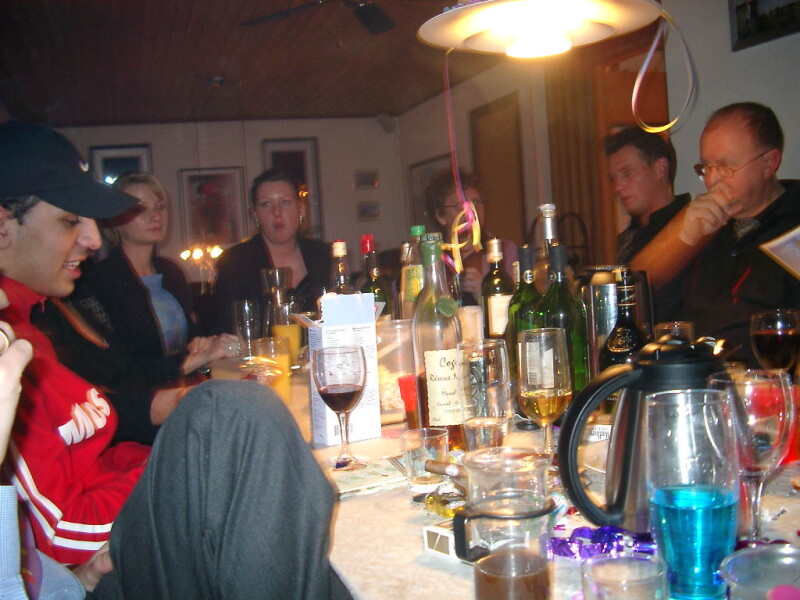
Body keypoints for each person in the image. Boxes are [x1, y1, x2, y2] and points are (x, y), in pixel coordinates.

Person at [0, 121, 351, 599]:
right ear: (3, 227)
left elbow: (102, 438)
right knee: (242, 416)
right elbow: (55, 534)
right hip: (104, 555)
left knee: (250, 426)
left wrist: (177, 453)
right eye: (69, 221)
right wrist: (187, 473)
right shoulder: (13, 347)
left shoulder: (38, 315)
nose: (92, 239)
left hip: (128, 490)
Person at [630, 102, 800, 365]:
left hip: (767, 378)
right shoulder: (703, 224)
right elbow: (637, 303)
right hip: (695, 375)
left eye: (725, 166)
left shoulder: (793, 226)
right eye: (706, 167)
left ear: (769, 163)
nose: (713, 180)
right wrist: (682, 238)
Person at [48, 172, 238, 391]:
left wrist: (201, 344)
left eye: (160, 207)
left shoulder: (171, 272)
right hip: (141, 403)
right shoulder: (100, 281)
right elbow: (117, 370)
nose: (155, 216)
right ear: (115, 220)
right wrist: (194, 360)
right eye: (139, 209)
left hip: (186, 390)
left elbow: (190, 336)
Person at [214, 169, 329, 332]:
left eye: (285, 202)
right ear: (255, 214)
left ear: (301, 210)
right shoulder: (234, 262)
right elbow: (225, 328)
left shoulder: (324, 255)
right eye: (266, 204)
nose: (277, 213)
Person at [603, 127, 690, 322]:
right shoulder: (628, 237)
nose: (617, 187)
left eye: (627, 173)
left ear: (660, 169)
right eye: (613, 178)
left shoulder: (693, 226)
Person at [425, 168, 517, 305]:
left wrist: (485, 290)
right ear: (440, 216)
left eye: (476, 202)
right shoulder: (431, 256)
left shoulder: (505, 250)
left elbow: (517, 306)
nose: (471, 212)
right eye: (459, 205)